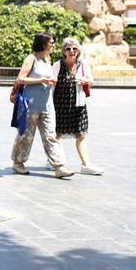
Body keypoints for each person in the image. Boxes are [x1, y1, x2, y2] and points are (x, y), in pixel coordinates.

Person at [10, 33, 74, 178]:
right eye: (51, 42)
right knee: (26, 136)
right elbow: (21, 78)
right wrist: (41, 80)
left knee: (51, 136)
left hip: (47, 105)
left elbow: (46, 79)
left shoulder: (47, 60)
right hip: (30, 104)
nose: (53, 45)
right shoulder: (31, 58)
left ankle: (59, 166)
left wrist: (51, 80)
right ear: (43, 44)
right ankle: (18, 163)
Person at [52, 38, 103, 175]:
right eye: (68, 49)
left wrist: (85, 80)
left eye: (74, 48)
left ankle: (86, 165)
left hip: (79, 106)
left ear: (78, 50)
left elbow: (91, 81)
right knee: (56, 135)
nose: (71, 51)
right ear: (64, 51)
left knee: (81, 135)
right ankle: (55, 161)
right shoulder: (58, 65)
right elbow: (52, 85)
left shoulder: (83, 64)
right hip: (60, 106)